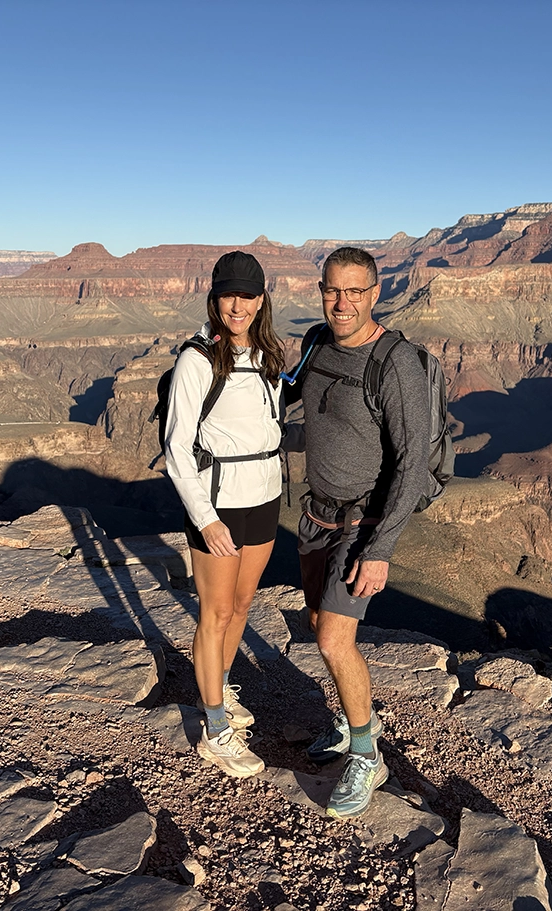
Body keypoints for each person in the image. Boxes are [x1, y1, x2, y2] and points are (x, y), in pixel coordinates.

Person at [293, 246, 429, 818]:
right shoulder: (314, 343)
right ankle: (350, 728)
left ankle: (368, 754)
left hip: (361, 524)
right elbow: (286, 397)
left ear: (376, 293)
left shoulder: (395, 363)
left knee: (333, 640)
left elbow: (412, 463)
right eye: (332, 290)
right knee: (317, 624)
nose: (342, 302)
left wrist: (380, 550)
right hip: (315, 516)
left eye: (355, 291)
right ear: (320, 290)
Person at [164, 250, 300, 778]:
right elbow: (177, 449)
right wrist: (205, 518)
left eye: (247, 295)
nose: (237, 305)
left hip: (264, 496)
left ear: (262, 299)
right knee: (214, 613)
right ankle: (215, 728)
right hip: (218, 503)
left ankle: (217, 686)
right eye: (228, 295)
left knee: (243, 604)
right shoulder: (197, 361)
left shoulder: (269, 353)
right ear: (215, 298)